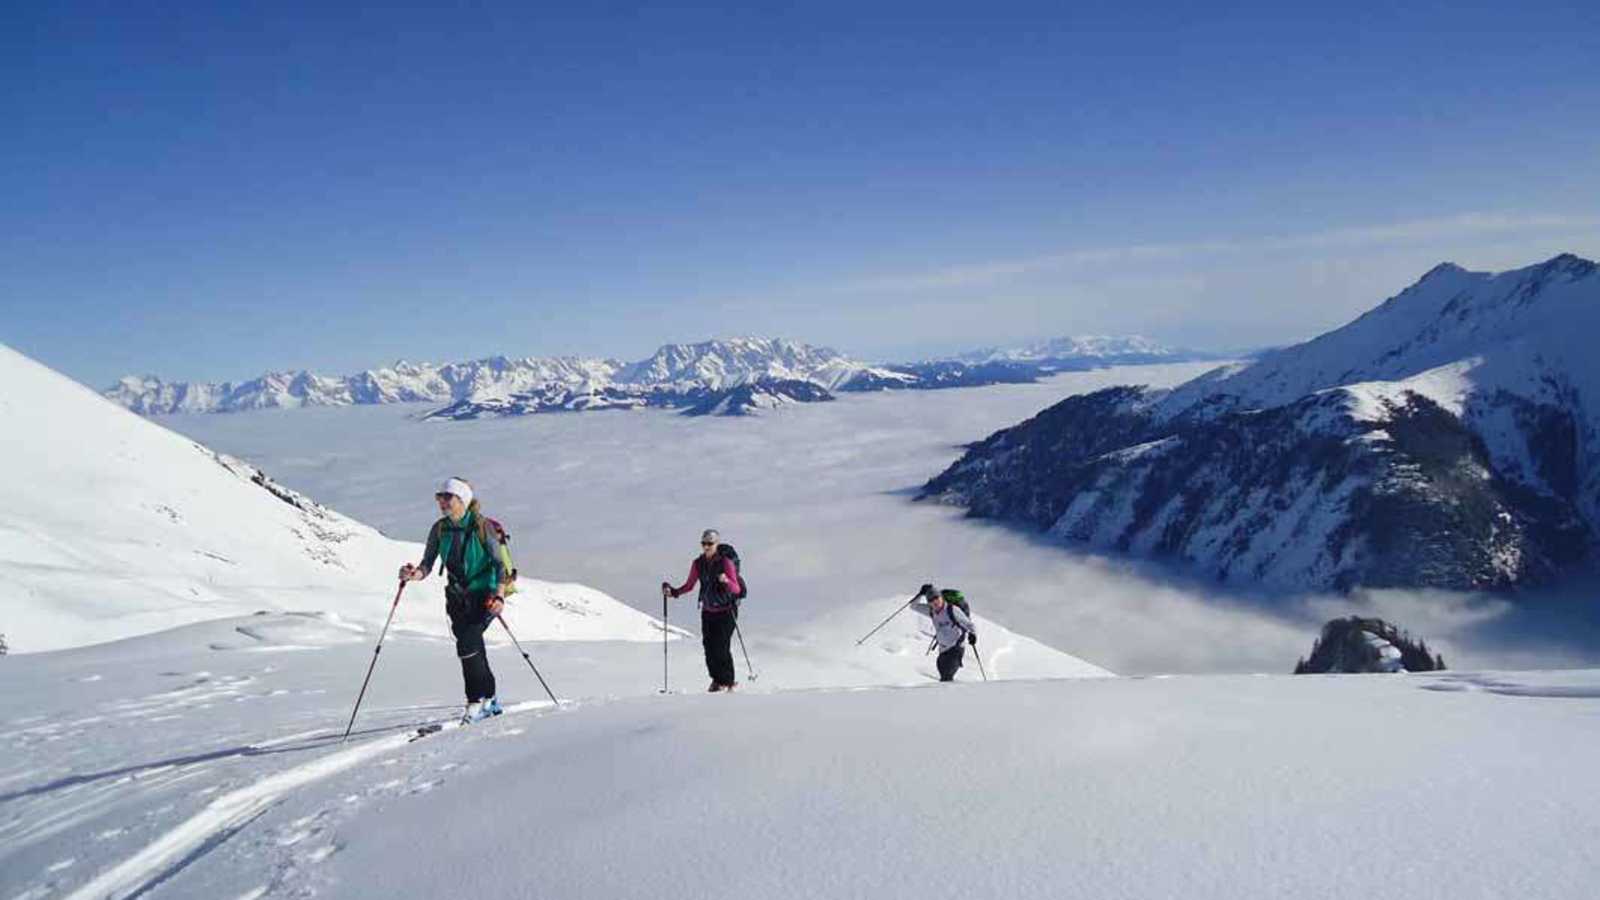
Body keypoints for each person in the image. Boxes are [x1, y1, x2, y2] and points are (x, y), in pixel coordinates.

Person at [399, 477, 510, 723]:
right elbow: (427, 564)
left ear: (463, 500)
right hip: (457, 598)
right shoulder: (440, 529)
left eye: (447, 497)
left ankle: (474, 703)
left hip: (485, 596)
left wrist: (500, 596)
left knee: (467, 645)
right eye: (440, 497)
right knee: (473, 648)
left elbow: (499, 564)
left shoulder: (482, 527)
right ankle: (490, 699)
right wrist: (413, 575)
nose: (442, 502)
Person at [662, 529, 744, 692]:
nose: (706, 547)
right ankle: (717, 680)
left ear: (716, 544)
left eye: (710, 544)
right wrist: (674, 592)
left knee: (721, 646)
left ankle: (727, 682)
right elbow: (690, 585)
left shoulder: (725, 563)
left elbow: (736, 589)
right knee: (708, 647)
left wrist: (726, 580)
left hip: (726, 611)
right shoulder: (698, 563)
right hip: (708, 611)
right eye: (704, 543)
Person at [910, 584, 977, 682]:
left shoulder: (952, 609)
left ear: (941, 598)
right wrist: (920, 594)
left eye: (937, 598)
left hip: (956, 648)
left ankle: (949, 694)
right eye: (931, 601)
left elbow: (969, 624)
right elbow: (913, 606)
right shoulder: (931, 611)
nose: (935, 602)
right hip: (943, 650)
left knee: (946, 677)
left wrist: (973, 634)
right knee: (944, 675)